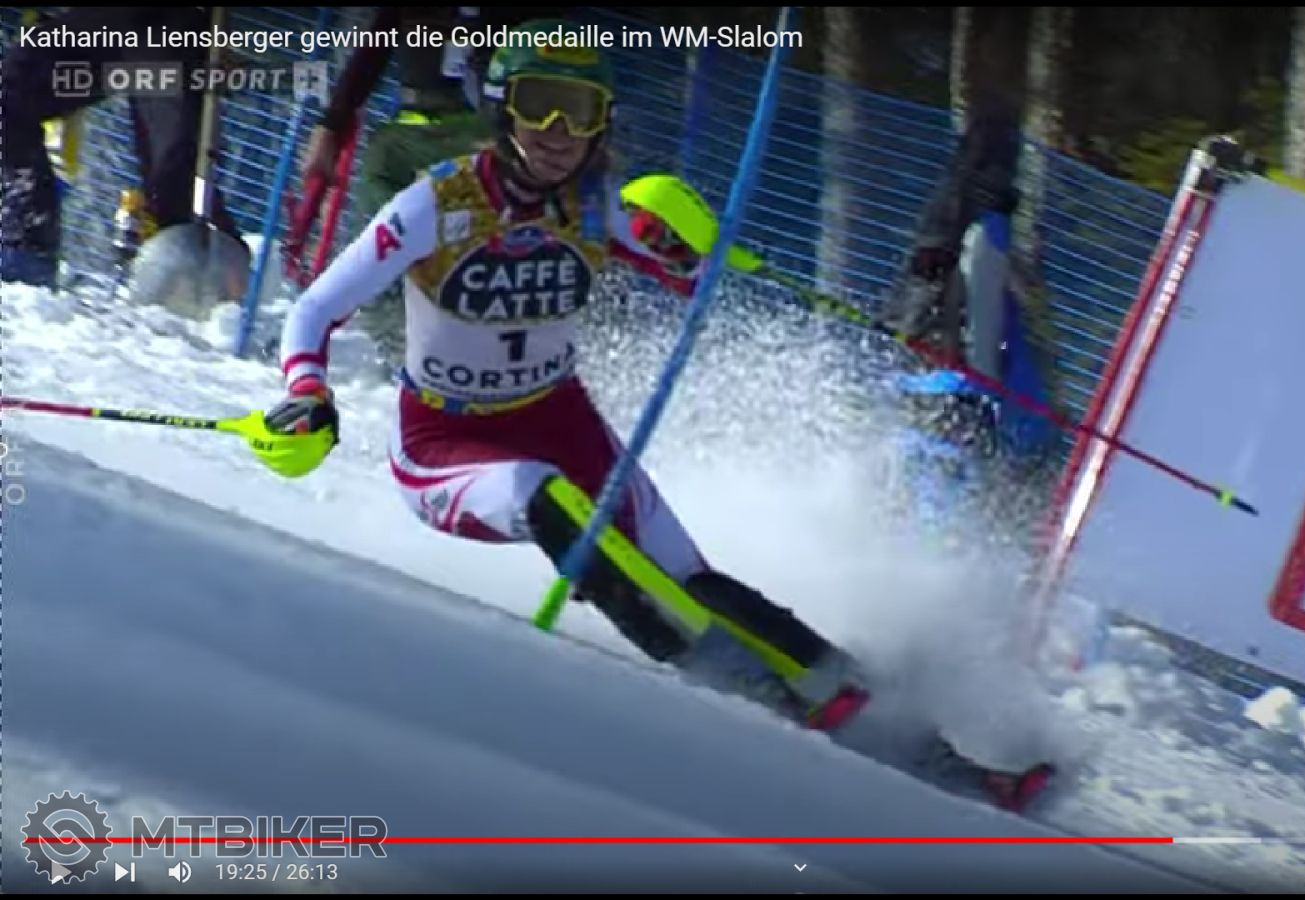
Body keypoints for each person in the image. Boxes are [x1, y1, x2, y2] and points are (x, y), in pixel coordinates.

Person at [252, 20, 871, 732]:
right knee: (542, 496)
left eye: (578, 111)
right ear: (502, 105)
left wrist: (683, 253)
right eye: (539, 104)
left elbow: (691, 279)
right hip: (447, 443)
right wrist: (307, 389)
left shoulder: (596, 204)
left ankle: (866, 697)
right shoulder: (436, 203)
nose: (557, 131)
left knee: (691, 579)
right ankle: (738, 688)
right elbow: (317, 308)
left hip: (563, 422)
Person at [294, 7, 548, 364]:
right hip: (418, 131)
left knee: (473, 240)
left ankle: (478, 346)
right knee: (387, 232)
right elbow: (374, 47)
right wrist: (331, 125)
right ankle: (405, 354)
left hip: (474, 130)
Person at [0, 7, 243, 289]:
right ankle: (25, 254)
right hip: (103, 26)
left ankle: (227, 283)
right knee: (10, 101)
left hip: (166, 30)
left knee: (173, 181)